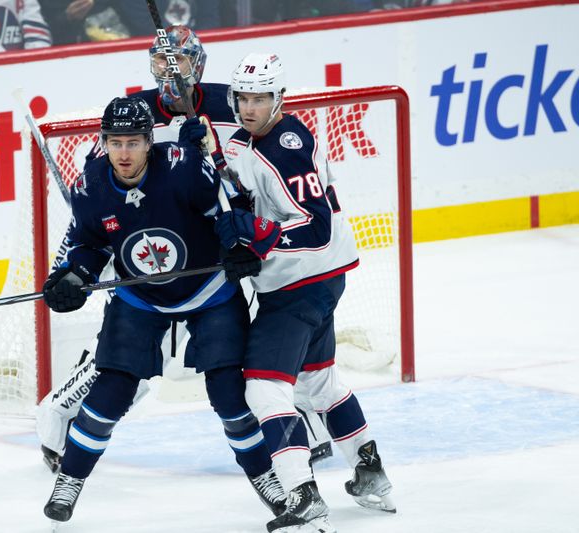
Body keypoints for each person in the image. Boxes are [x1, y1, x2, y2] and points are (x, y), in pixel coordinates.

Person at [35, 23, 333, 475]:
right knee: (131, 363)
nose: (169, 71)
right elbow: (101, 181)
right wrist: (73, 264)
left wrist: (217, 165)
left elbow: (271, 151)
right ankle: (60, 410)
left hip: (223, 240)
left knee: (256, 346)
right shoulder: (136, 112)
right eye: (159, 61)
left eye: (180, 62)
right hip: (155, 246)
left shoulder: (230, 101)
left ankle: (298, 422)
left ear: (200, 64)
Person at [40, 95, 285, 525]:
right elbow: (88, 244)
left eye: (133, 143)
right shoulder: (91, 185)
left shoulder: (183, 168)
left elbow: (229, 210)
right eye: (115, 143)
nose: (124, 153)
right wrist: (74, 275)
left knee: (229, 394)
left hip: (209, 291)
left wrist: (240, 245)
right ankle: (70, 481)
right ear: (104, 143)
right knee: (111, 391)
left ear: (149, 142)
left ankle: (269, 481)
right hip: (141, 298)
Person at [215, 52, 395, 532]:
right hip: (313, 279)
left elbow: (313, 228)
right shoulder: (251, 135)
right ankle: (370, 470)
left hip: (302, 281)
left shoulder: (287, 147)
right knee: (318, 382)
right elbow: (237, 165)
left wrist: (259, 238)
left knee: (263, 386)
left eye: (260, 98)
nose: (249, 108)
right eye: (242, 98)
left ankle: (302, 491)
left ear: (280, 99)